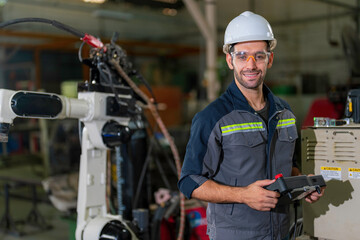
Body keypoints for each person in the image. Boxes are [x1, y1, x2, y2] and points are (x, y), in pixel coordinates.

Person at [178, 11, 324, 240]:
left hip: (281, 230)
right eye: (242, 56)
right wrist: (243, 195)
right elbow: (189, 181)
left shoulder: (285, 112)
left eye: (259, 56)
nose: (251, 64)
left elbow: (290, 167)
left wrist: (303, 185)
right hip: (235, 234)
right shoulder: (212, 117)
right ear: (229, 60)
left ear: (270, 59)